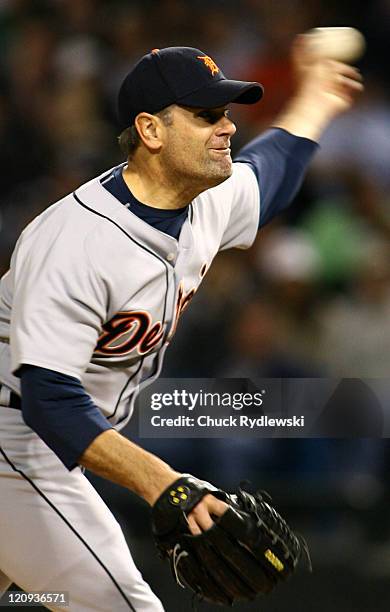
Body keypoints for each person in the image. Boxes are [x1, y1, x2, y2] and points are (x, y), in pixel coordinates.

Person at [0, 40, 362, 611]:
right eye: (206, 116)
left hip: (52, 440)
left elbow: (274, 169)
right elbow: (49, 400)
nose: (227, 129)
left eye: (225, 114)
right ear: (150, 130)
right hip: (16, 438)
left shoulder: (203, 201)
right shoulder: (75, 242)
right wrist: (163, 482)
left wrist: (317, 93)